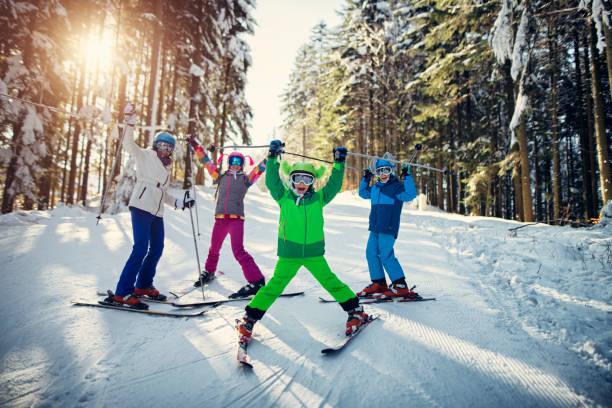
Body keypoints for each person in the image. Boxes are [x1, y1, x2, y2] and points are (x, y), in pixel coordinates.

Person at [236, 140, 369, 346]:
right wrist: (272, 157)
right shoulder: (284, 197)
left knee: (330, 282)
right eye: (297, 178)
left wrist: (339, 163)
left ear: (312, 182)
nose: (301, 183)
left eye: (307, 179)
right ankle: (249, 318)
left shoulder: (319, 198)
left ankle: (356, 311)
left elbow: (333, 185)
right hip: (289, 254)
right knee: (274, 286)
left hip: (314, 253)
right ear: (291, 180)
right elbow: (272, 182)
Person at [111, 103, 195, 310]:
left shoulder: (166, 169)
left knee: (157, 248)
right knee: (140, 248)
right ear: (156, 145)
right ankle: (122, 292)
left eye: (169, 147)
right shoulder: (145, 156)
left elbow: (163, 193)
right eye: (163, 145)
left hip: (157, 211)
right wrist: (129, 121)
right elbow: (128, 144)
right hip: (141, 206)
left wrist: (179, 203)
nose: (166, 149)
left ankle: (143, 286)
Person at [186, 137, 267, 298]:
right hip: (220, 219)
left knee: (238, 250)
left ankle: (256, 280)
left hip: (236, 220)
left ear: (242, 164)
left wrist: (269, 157)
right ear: (229, 162)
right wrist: (196, 147)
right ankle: (209, 272)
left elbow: (258, 170)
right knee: (214, 248)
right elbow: (207, 163)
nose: (235, 164)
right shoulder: (220, 176)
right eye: (233, 160)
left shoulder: (245, 179)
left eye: (239, 161)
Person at [357, 153, 419, 299]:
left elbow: (410, 194)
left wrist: (407, 177)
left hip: (388, 228)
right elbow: (362, 193)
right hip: (375, 227)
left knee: (386, 255)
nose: (383, 174)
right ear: (376, 174)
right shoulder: (375, 188)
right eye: (379, 171)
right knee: (371, 253)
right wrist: (366, 178)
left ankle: (400, 285)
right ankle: (379, 283)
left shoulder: (397, 188)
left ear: (392, 170)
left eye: (386, 170)